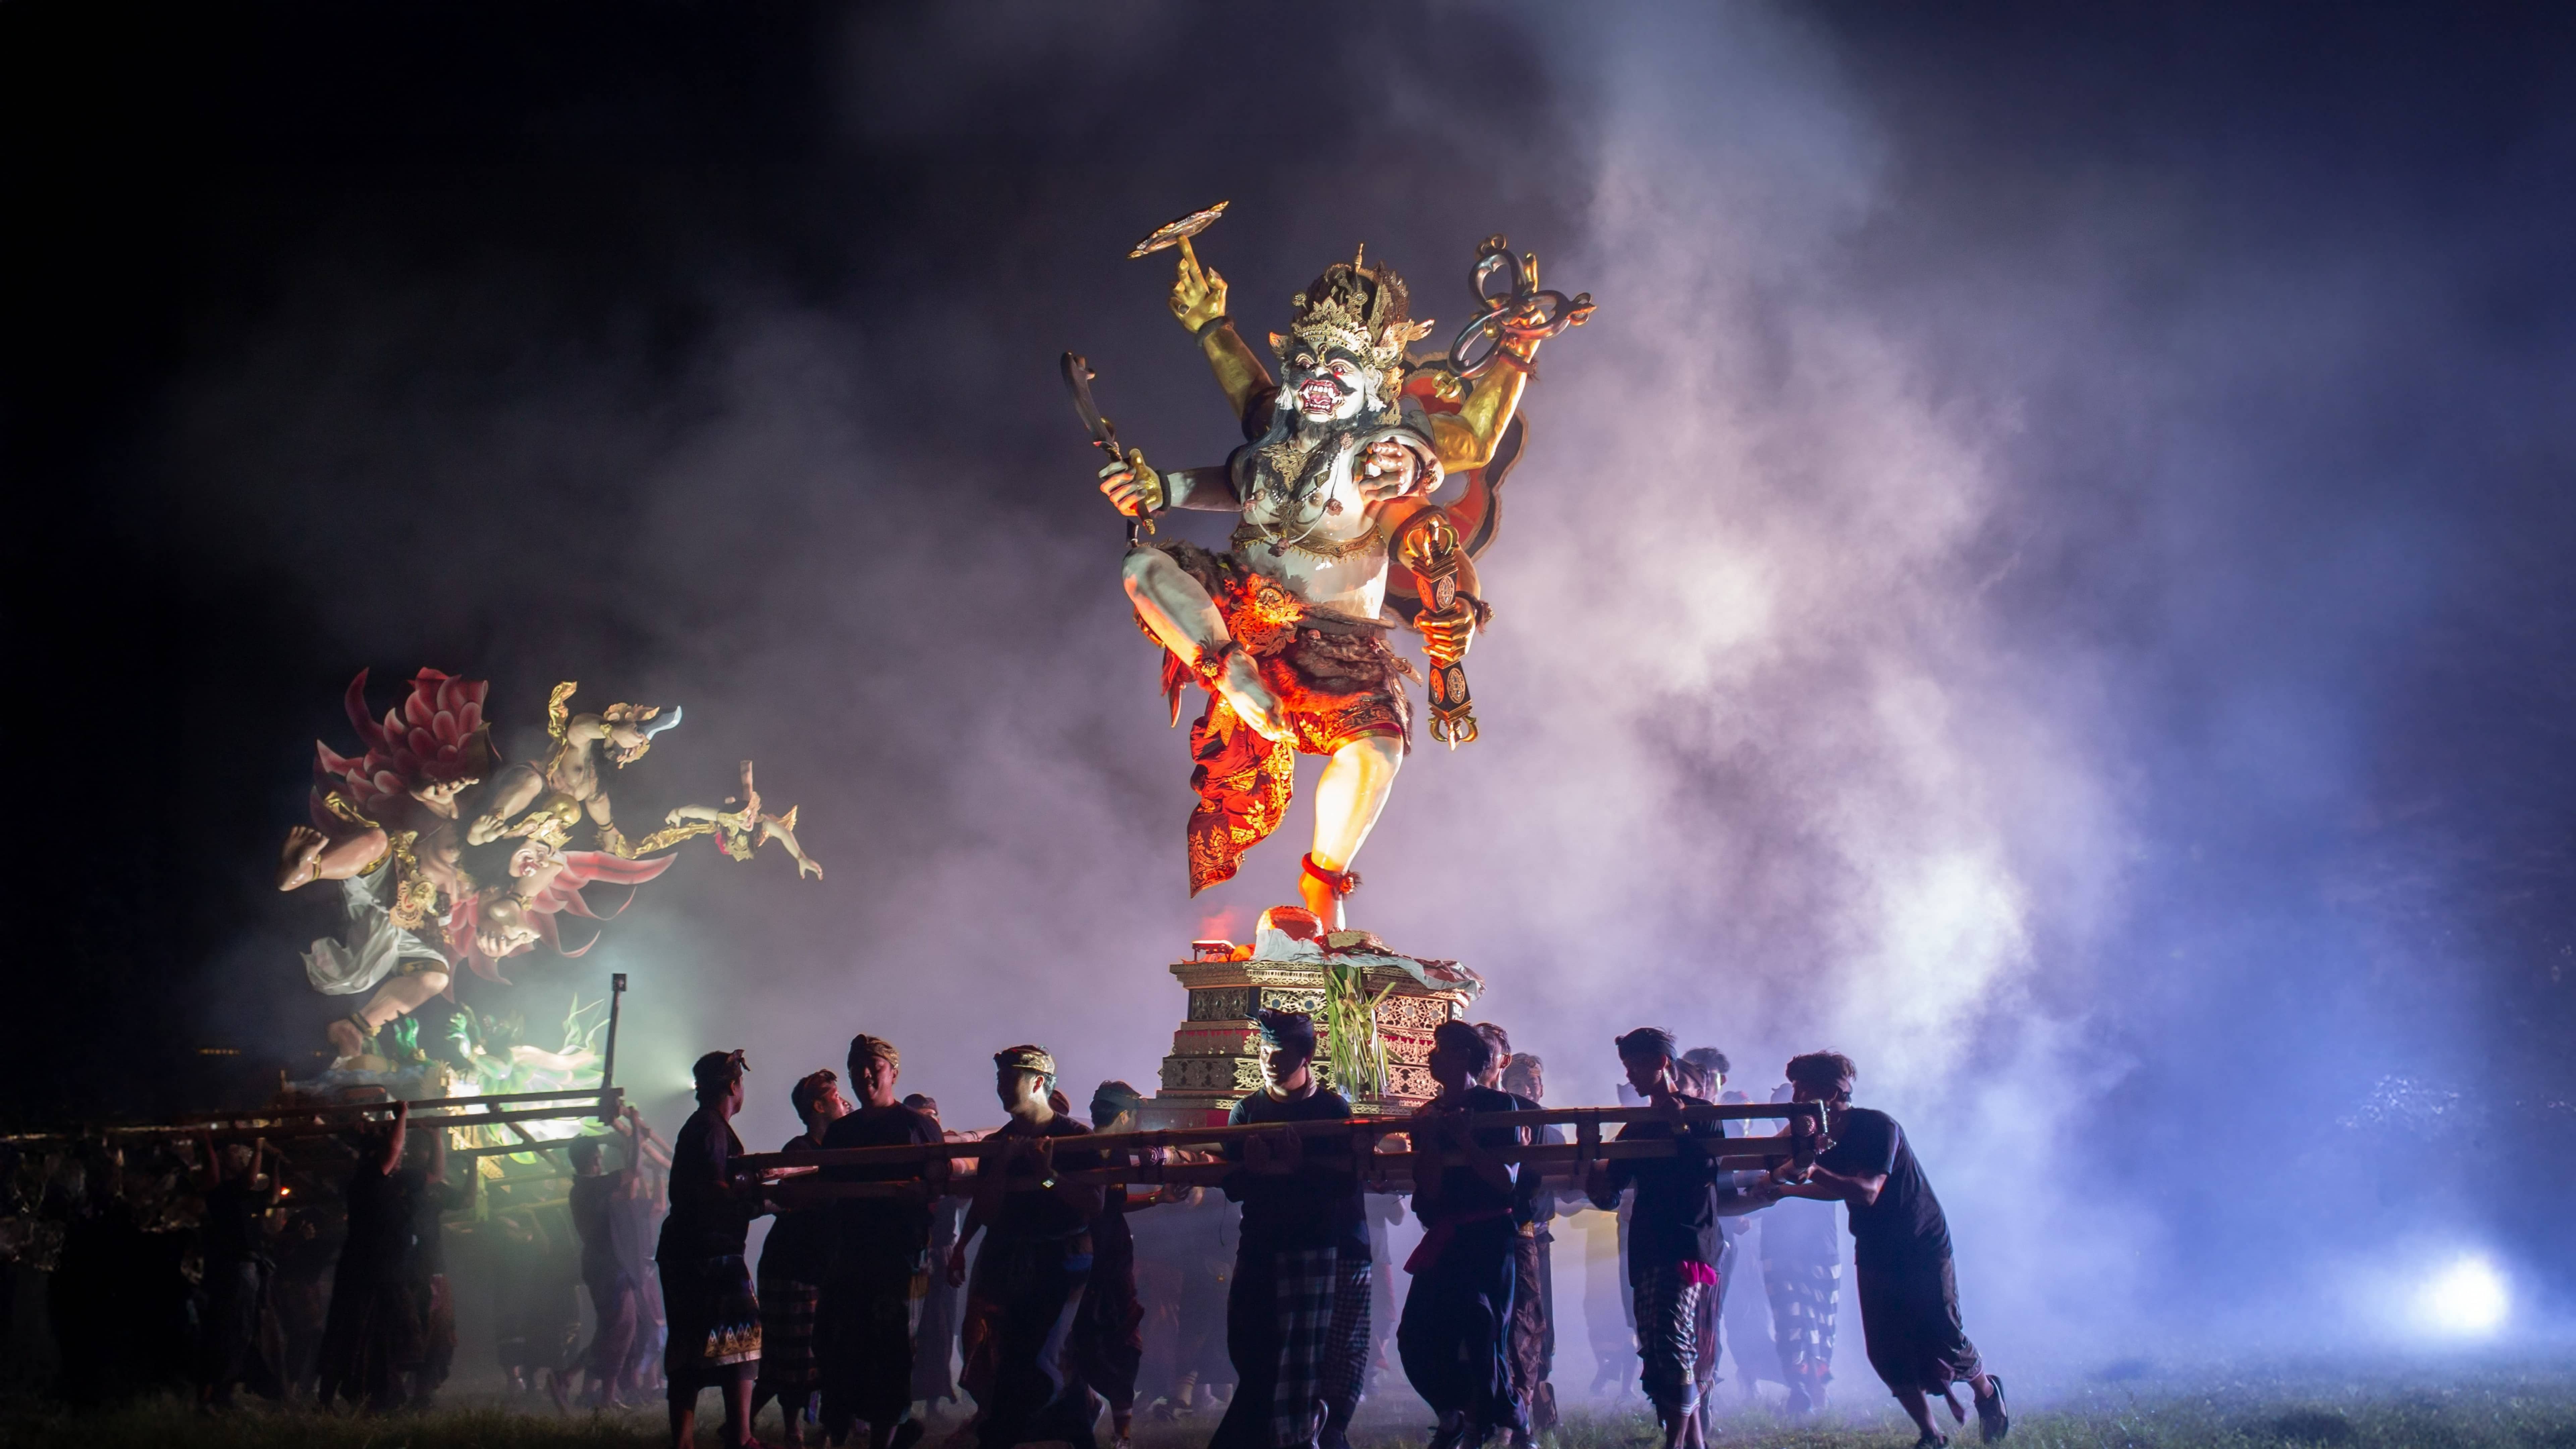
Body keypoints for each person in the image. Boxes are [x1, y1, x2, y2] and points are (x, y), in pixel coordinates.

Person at [1770, 1052, 2005, 1448]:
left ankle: (1986, 1392)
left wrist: (1809, 1171)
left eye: (1802, 1088)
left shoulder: (1878, 1127)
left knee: (1944, 1334)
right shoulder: (1820, 1135)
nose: (1795, 1096)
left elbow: (1866, 1192)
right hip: (1875, 1244)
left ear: (1830, 1093)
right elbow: (1835, 1188)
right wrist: (1781, 1189)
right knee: (1884, 1347)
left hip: (1920, 1244)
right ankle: (1931, 1433)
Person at [1584, 1030, 1780, 1449]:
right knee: (1657, 1347)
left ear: (1661, 1063)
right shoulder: (1635, 1127)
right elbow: (1612, 1191)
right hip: (1648, 1244)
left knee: (1674, 1342)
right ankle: (1693, 1443)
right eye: (1627, 1066)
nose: (1631, 1075)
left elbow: (1707, 1166)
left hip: (1689, 1240)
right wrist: (1594, 1178)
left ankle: (1676, 1443)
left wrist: (1678, 1125)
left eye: (1636, 1065)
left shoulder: (1703, 1113)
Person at [1209, 1010, 1372, 1449]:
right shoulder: (1246, 1111)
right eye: (1263, 1051)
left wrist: (1300, 1169)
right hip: (1260, 1245)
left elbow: (1343, 1186)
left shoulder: (1331, 1110)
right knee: (1248, 1344)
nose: (1268, 1060)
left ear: (1307, 1055)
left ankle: (1293, 1434)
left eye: (1279, 1053)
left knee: (1297, 1359)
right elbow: (1235, 1185)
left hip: (1311, 1248)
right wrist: (1257, 1173)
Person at [949, 1045, 1104, 1449]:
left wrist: (1047, 1175)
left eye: (1008, 1078)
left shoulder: (1075, 1139)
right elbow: (986, 1209)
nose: (1000, 1087)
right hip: (1010, 1261)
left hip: (1062, 1263)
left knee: (1034, 1359)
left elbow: (1093, 1205)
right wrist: (1001, 1166)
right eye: (999, 1078)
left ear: (1037, 1083)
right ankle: (1076, 1429)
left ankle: (999, 1436)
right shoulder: (999, 1144)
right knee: (1013, 1354)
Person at [1398, 1019, 1528, 1449]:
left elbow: (1504, 1181)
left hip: (1489, 1239)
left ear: (1466, 1058)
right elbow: (1429, 1190)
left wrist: (1466, 1142)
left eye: (1443, 1049)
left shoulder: (1500, 1106)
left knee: (1483, 1331)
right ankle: (1452, 1414)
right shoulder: (1426, 1115)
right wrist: (1434, 1142)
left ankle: (1500, 1421)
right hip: (1445, 1238)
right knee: (1415, 1336)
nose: (1434, 1056)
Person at [816, 1034, 947, 1449]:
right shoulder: (841, 1133)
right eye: (857, 1067)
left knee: (892, 1353)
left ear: (893, 1072)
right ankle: (837, 1435)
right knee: (837, 1348)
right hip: (849, 1256)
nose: (865, 1074)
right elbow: (828, 1189)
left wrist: (922, 1194)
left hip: (900, 1257)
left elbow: (940, 1185)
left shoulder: (918, 1127)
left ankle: (884, 1441)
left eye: (874, 1066)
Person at [659, 1049, 771, 1449]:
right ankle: (737, 1437)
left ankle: (695, 1440)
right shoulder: (709, 1128)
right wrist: (762, 1203)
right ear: (733, 1085)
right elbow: (713, 1188)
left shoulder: (706, 1126)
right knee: (736, 1336)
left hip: (692, 1249)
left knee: (695, 1343)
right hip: (708, 1251)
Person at [757, 1070, 852, 1448]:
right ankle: (787, 1428)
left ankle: (809, 1428)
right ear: (818, 1106)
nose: (845, 1102)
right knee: (792, 1358)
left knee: (819, 1354)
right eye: (836, 1096)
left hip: (822, 1265)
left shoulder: (842, 1150)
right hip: (792, 1265)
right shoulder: (801, 1150)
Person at [1071, 1080, 1167, 1449]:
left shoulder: (1120, 1153)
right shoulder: (1081, 1150)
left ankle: (1121, 1434)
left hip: (1113, 1260)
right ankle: (1087, 1411)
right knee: (1087, 1338)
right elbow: (1086, 1203)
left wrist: (1158, 1199)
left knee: (1122, 1338)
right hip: (1086, 1257)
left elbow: (1112, 1205)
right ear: (1125, 1115)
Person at [316, 1102, 425, 1413]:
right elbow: (393, 1148)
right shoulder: (368, 1179)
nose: (400, 1159)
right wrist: (401, 1116)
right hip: (370, 1270)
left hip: (381, 1269)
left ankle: (375, 1397)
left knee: (372, 1335)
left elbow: (416, 1166)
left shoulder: (383, 1183)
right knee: (350, 1331)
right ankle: (329, 1399)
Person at [1759, 1084, 1841, 1416]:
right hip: (1780, 1244)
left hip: (1820, 1245)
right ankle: (1799, 1389)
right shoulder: (1770, 1151)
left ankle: (1815, 1387)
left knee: (1821, 1321)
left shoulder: (1829, 1146)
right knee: (1790, 1321)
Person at [1496, 1051, 1560, 1443]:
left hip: (1537, 1235)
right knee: (1507, 1322)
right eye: (1519, 1083)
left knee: (1539, 1321)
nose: (1528, 1090)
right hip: (1502, 1235)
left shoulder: (1552, 1128)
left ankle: (1539, 1393)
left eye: (1533, 1083)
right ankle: (1507, 1412)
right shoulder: (1499, 1123)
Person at [193, 1133, 282, 1407]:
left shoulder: (243, 1195)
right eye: (233, 1151)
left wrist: (275, 1163)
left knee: (243, 1331)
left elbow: (274, 1196)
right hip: (233, 1267)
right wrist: (259, 1148)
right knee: (228, 1329)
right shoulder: (222, 1192)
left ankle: (223, 1393)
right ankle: (213, 1394)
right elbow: (250, 1180)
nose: (238, 1153)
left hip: (249, 1267)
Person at [570, 1107, 650, 1405]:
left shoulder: (585, 1187)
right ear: (592, 1159)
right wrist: (635, 1128)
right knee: (619, 1329)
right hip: (607, 1267)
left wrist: (627, 1140)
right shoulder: (591, 1185)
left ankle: (603, 1394)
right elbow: (635, 1173)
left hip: (604, 1264)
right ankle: (569, 1376)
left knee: (615, 1329)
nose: (601, 1159)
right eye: (598, 1155)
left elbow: (629, 1191)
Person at [396, 1114, 475, 1408]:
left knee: (436, 1332)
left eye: (427, 1149)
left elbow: (467, 1202)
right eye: (420, 1149)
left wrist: (474, 1167)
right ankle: (402, 1388)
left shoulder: (435, 1189)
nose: (424, 1155)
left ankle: (422, 1391)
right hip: (406, 1268)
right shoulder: (401, 1183)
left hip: (433, 1267)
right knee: (408, 1328)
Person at [905, 1094, 964, 1411]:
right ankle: (901, 1397)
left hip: (942, 1251)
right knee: (912, 1329)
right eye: (923, 1116)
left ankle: (934, 1398)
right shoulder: (901, 1159)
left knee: (941, 1327)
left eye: (934, 1115)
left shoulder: (949, 1154)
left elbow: (965, 1199)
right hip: (911, 1254)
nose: (932, 1121)